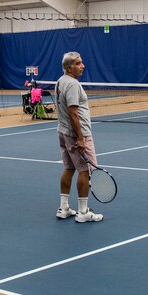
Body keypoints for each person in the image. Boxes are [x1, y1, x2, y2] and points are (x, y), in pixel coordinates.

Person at [54, 51, 102, 223]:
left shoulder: (60, 81)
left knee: (69, 168)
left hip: (63, 132)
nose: (83, 66)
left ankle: (64, 208)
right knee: (84, 170)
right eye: (78, 63)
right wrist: (80, 138)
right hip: (76, 134)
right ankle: (83, 212)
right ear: (69, 67)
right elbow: (73, 112)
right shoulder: (73, 84)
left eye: (82, 62)